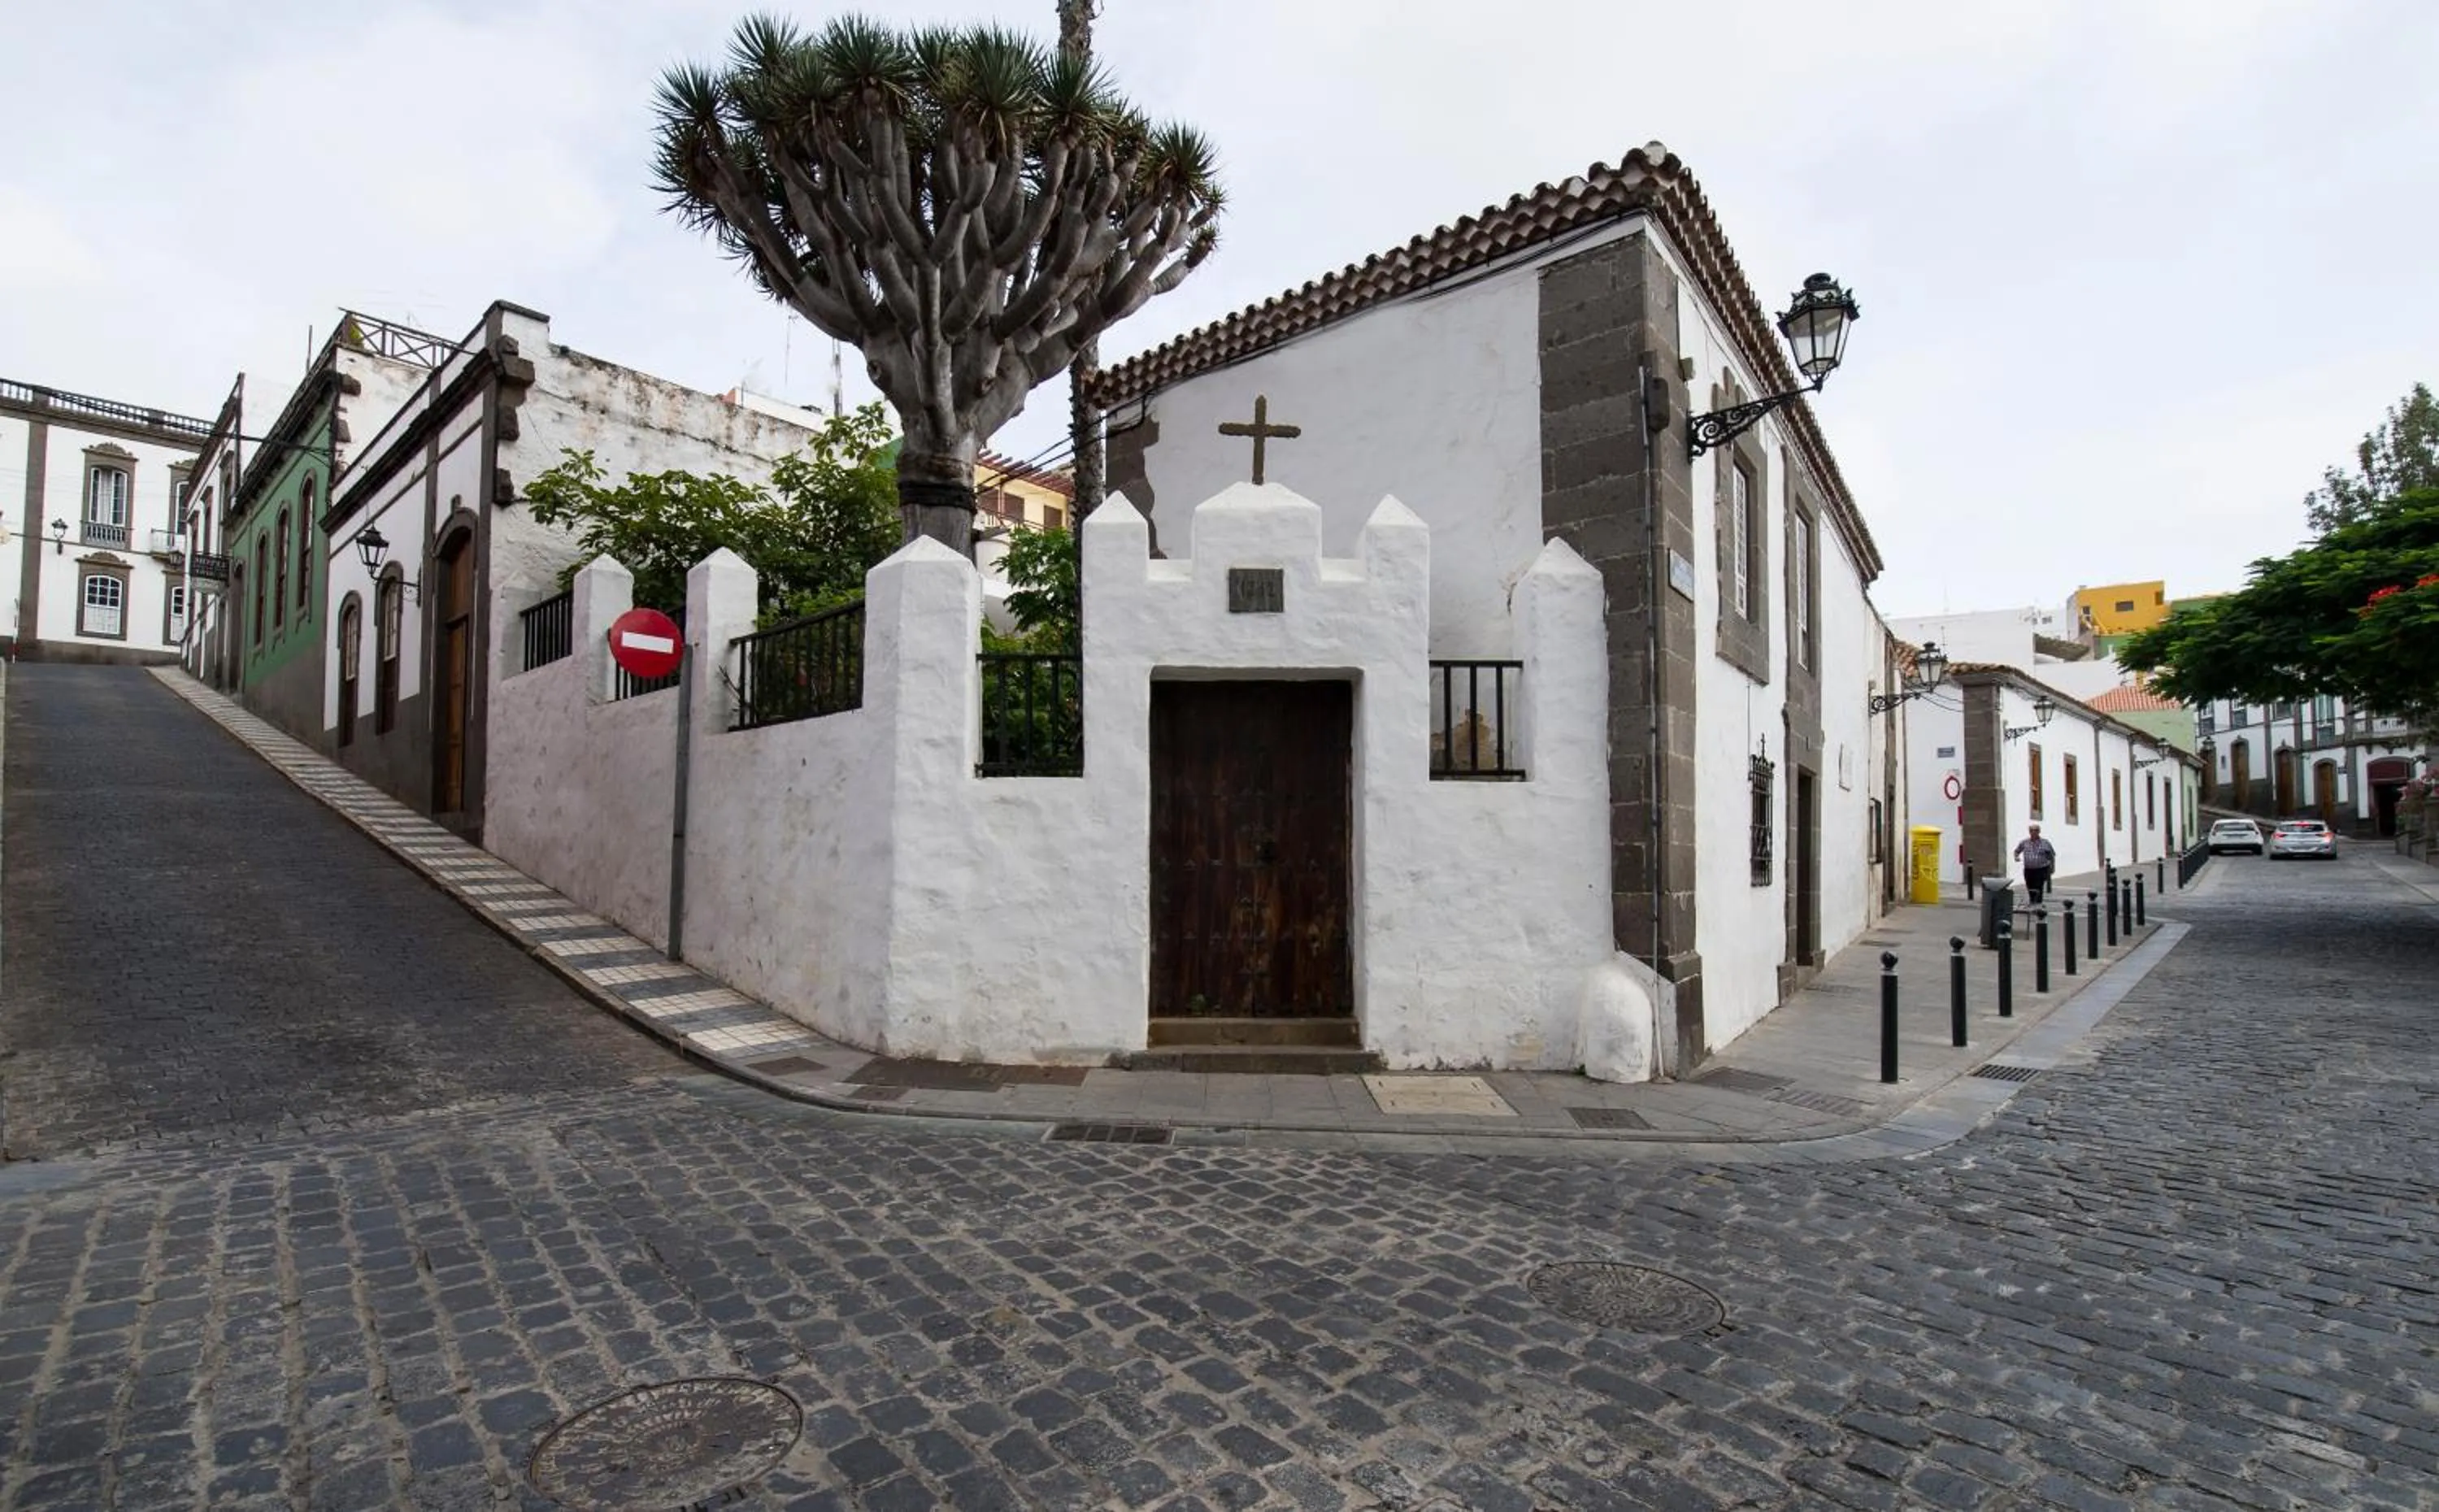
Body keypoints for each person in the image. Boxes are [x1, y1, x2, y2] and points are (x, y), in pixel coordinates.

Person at [2014, 823, 2057, 905]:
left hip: (2041, 869)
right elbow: (2017, 851)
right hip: (2028, 869)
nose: (2033, 832)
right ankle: (2032, 901)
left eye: (2035, 830)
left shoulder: (2045, 843)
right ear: (2029, 832)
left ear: (2039, 832)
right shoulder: (2024, 842)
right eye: (2031, 830)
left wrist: (2052, 867)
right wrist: (2016, 857)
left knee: (2038, 887)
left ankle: (2038, 903)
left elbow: (2052, 856)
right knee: (2030, 886)